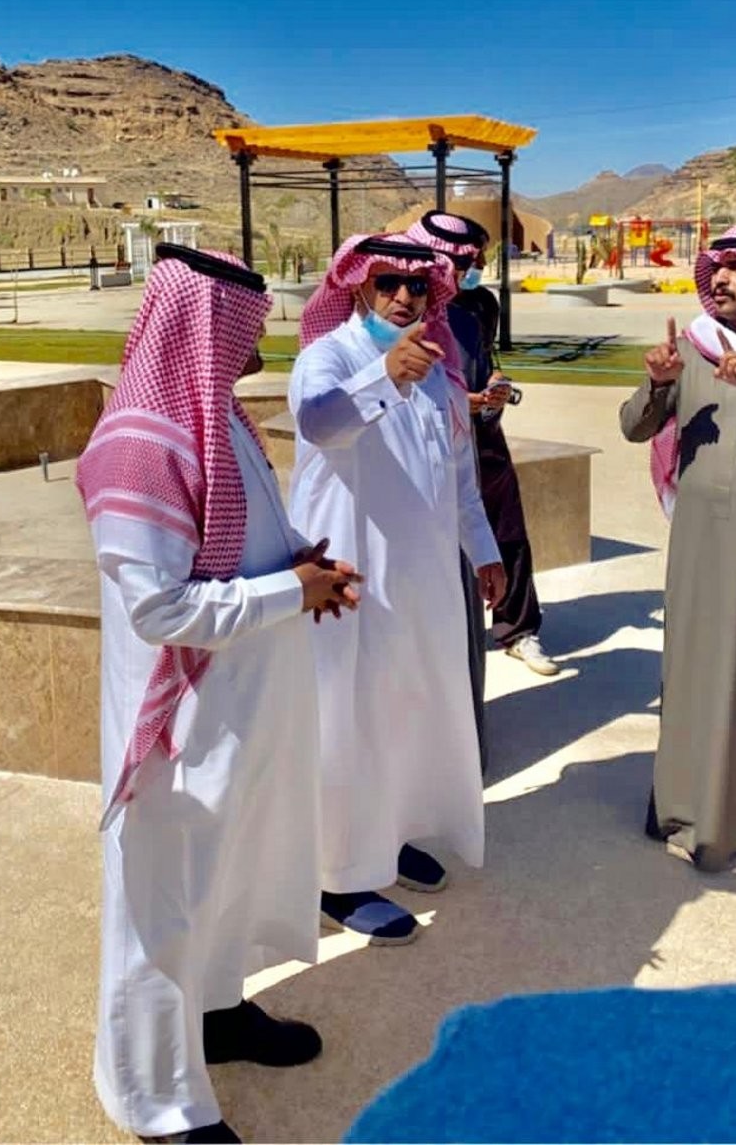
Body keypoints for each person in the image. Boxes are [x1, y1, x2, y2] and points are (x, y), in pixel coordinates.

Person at [76, 243, 362, 1143]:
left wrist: (303, 565)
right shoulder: (140, 443)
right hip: (182, 725)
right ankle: (153, 1095)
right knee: (164, 905)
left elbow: (237, 545)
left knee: (226, 877)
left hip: (241, 706)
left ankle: (217, 1012)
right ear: (204, 324)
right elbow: (161, 607)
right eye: (249, 321)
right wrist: (290, 592)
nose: (263, 336)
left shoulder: (219, 418)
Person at [289, 233, 505, 946]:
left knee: (407, 709)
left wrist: (483, 551)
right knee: (348, 718)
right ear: (358, 284)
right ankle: (338, 875)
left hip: (421, 581)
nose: (404, 297)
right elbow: (320, 422)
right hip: (350, 580)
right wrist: (384, 375)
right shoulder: (329, 357)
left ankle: (389, 836)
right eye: (388, 283)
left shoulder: (439, 373)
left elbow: (459, 475)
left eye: (417, 286)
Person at [620, 222, 736, 872]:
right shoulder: (691, 348)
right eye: (715, 269)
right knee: (702, 665)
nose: (720, 279)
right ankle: (688, 808)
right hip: (708, 538)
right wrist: (658, 383)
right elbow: (633, 427)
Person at [408, 212, 558, 682]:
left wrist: (495, 385)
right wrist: (456, 403)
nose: (472, 269)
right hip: (431, 443)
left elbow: (486, 360)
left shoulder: (479, 305)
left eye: (478, 260)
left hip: (484, 434)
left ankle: (518, 629)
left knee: (507, 529)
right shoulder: (408, 307)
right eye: (465, 261)